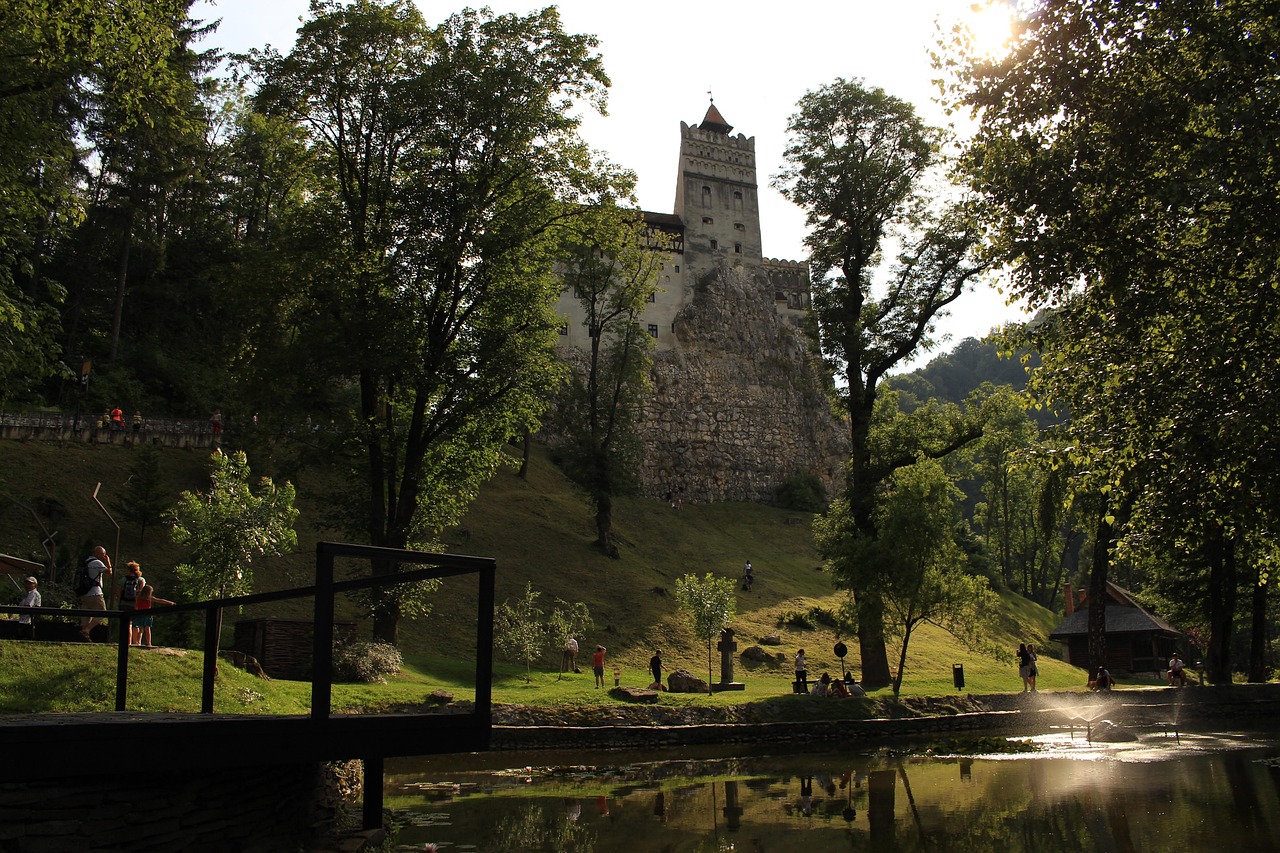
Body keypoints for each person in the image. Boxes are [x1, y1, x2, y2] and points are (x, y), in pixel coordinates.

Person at [79, 546, 112, 641]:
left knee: (86, 615)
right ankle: (86, 630)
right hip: (95, 593)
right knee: (102, 613)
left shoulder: (86, 562)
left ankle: (83, 637)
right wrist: (108, 562)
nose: (104, 556)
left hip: (84, 592)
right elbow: (109, 572)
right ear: (96, 553)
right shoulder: (97, 562)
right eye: (102, 554)